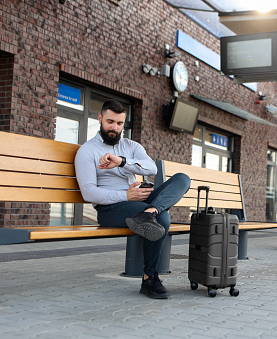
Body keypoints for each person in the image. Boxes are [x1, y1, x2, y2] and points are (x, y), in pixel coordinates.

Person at [74, 99, 190, 299]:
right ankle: (149, 278)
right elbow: (89, 193)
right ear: (100, 118)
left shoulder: (131, 146)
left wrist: (122, 162)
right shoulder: (87, 151)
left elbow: (151, 168)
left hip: (138, 202)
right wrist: (126, 195)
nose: (114, 127)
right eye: (110, 122)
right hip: (111, 209)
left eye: (119, 123)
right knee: (163, 219)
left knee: (182, 179)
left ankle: (151, 211)